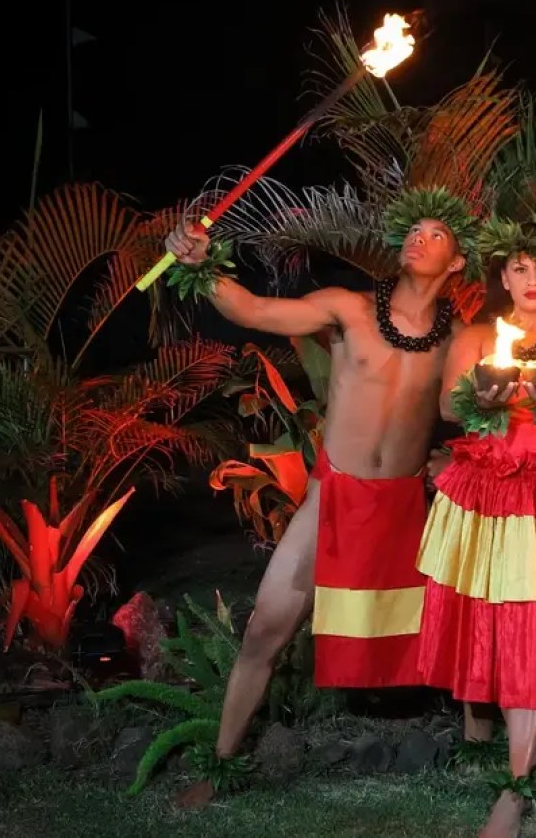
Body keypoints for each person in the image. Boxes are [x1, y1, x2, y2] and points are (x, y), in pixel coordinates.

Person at [161, 186, 496, 807]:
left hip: (406, 503)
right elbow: (257, 311)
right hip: (336, 495)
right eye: (413, 231)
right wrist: (203, 264)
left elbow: (469, 406)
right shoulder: (348, 309)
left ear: (456, 263)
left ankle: (481, 749)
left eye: (436, 235)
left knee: (456, 620)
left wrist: (465, 444)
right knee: (267, 627)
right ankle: (223, 766)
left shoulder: (463, 338)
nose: (420, 239)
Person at [416, 216, 536, 837]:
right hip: (486, 494)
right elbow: (449, 406)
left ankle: (517, 784)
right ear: (503, 275)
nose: (532, 280)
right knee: (489, 622)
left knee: (532, 622)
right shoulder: (477, 335)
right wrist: (488, 389)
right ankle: (492, 741)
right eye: (521, 268)